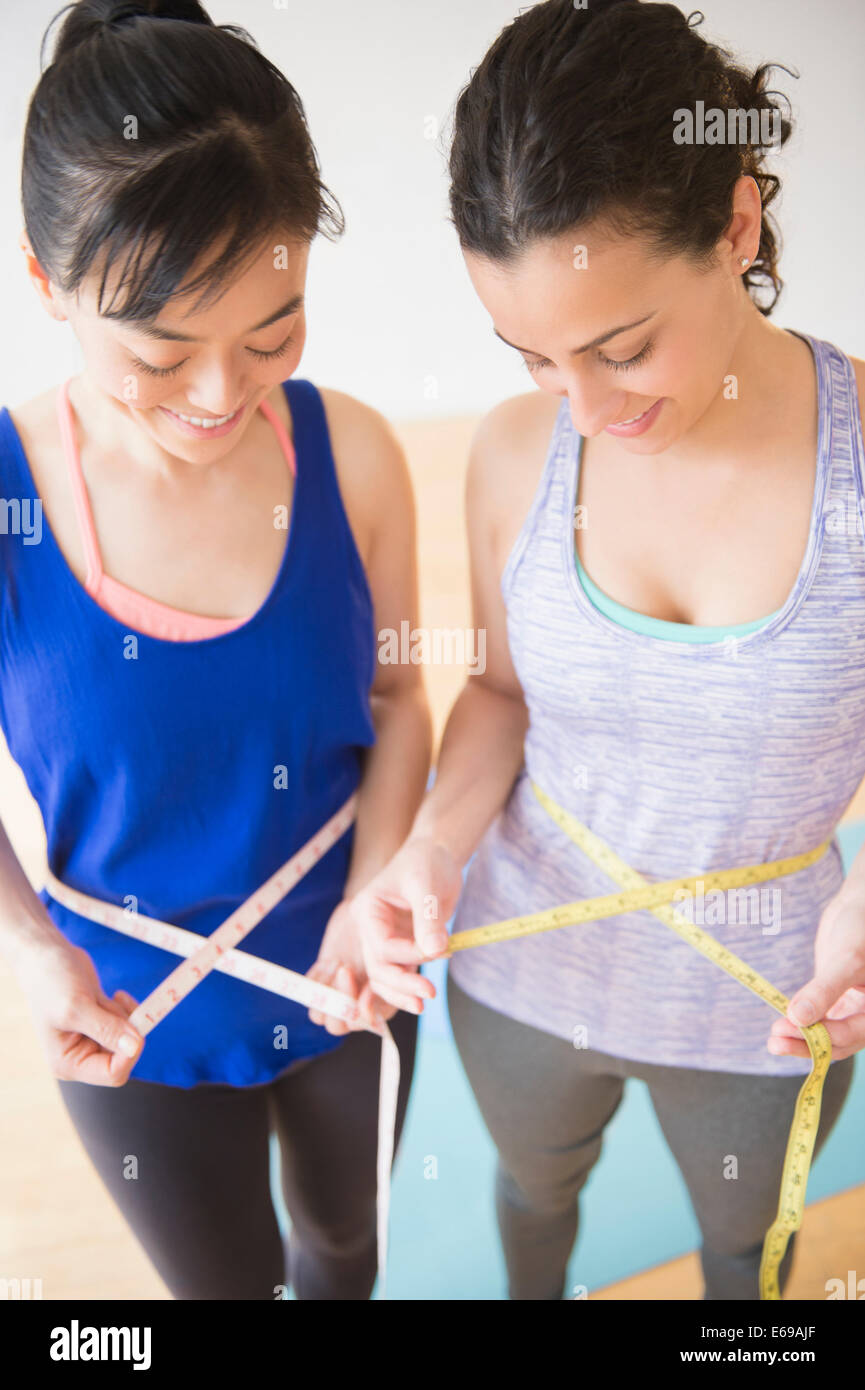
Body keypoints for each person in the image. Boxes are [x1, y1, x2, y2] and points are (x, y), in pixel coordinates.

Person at [352, 0, 865, 1300]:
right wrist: (427, 844)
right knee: (531, 1204)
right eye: (528, 355)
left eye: (620, 345)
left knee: (749, 1263)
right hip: (530, 955)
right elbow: (501, 696)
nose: (580, 407)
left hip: (772, 989)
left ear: (735, 226)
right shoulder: (516, 452)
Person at [0, 0, 431, 1301]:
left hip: (351, 975)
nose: (217, 396)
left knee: (348, 1247)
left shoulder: (351, 451)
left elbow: (404, 693)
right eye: (159, 350)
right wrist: (27, 947)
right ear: (45, 281)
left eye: (273, 330)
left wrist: (376, 892)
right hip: (128, 1013)